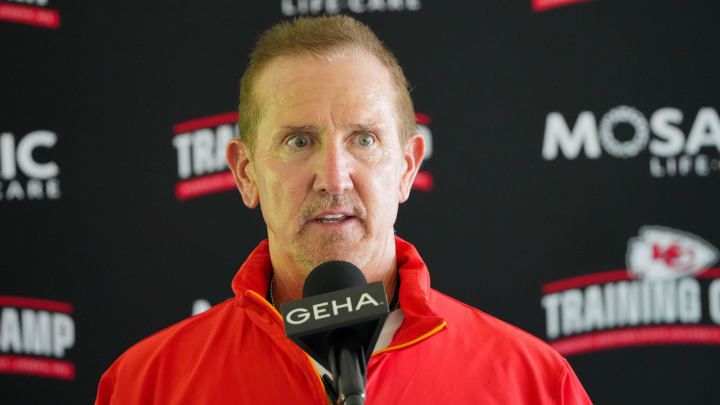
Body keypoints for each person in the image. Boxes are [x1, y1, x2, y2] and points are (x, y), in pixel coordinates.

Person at [95, 15, 591, 404]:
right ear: (246, 173)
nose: (333, 177)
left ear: (406, 168)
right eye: (298, 140)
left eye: (364, 139)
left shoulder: (535, 384)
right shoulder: (145, 384)